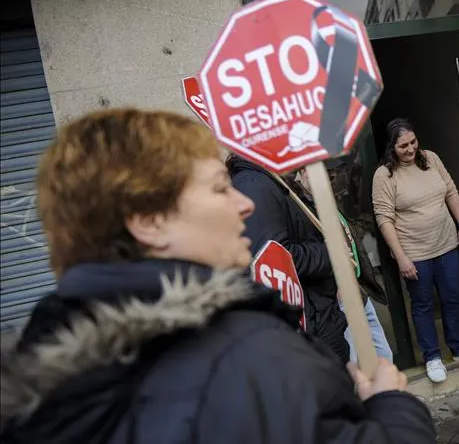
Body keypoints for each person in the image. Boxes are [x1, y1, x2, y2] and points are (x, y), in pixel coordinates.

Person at [0, 108, 436, 444]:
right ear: (149, 221)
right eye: (218, 187)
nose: (245, 205)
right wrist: (391, 408)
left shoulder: (42, 376)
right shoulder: (246, 358)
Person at [228, 155, 393, 363]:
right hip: (323, 311)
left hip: (340, 299)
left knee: (381, 361)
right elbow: (279, 257)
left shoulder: (278, 185)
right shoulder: (256, 186)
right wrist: (331, 254)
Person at [372, 118, 459, 383]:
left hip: (446, 243)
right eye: (403, 146)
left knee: (452, 297)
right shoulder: (384, 175)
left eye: (413, 142)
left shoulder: (430, 158)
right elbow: (383, 218)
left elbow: (451, 192)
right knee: (422, 305)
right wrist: (401, 257)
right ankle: (432, 357)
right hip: (414, 251)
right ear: (391, 147)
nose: (411, 149)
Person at [294, 162, 394, 363]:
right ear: (305, 171)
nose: (328, 184)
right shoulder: (297, 207)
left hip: (356, 291)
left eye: (330, 179)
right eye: (324, 177)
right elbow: (304, 257)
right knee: (355, 363)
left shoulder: (322, 200)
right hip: (336, 298)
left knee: (384, 356)